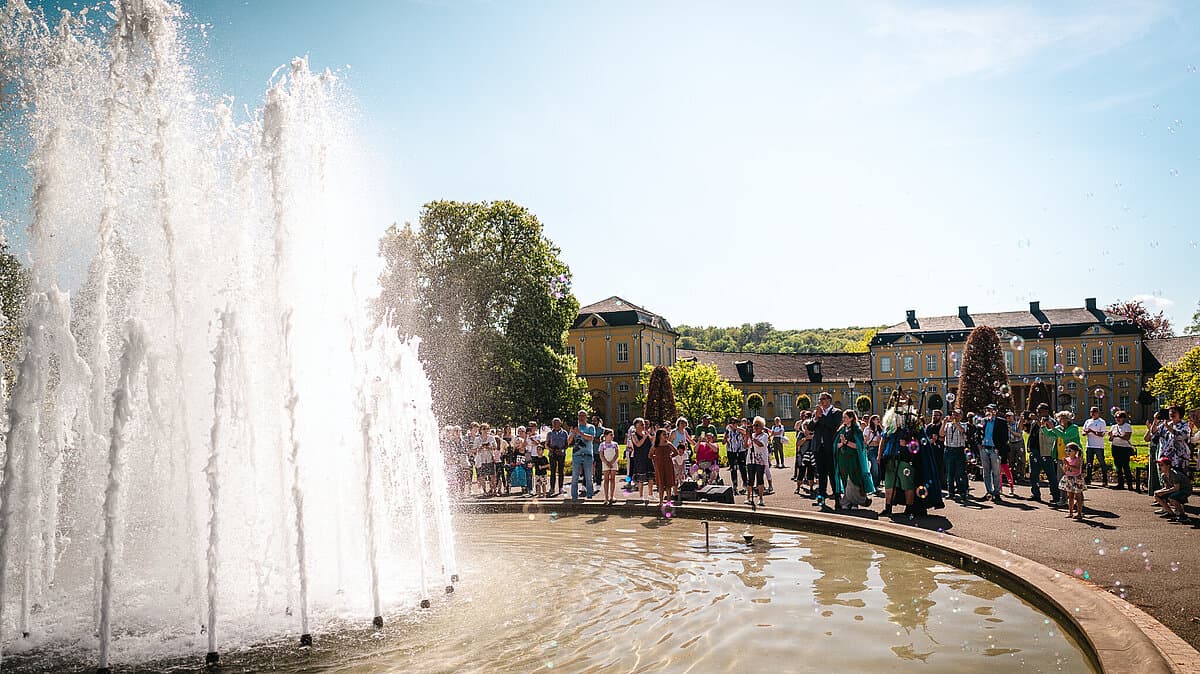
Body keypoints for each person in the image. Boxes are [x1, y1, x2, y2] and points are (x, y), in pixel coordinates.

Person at [879, 393, 919, 520]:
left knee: (907, 484)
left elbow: (917, 442)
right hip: (890, 457)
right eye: (898, 403)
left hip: (905, 458)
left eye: (902, 403)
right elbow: (883, 440)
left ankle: (909, 508)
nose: (900, 405)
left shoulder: (911, 423)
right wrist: (879, 456)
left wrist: (906, 444)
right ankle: (888, 507)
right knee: (889, 484)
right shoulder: (890, 425)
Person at [833, 410, 876, 510]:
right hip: (843, 459)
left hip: (853, 459)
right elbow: (836, 444)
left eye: (845, 417)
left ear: (851, 418)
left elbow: (859, 446)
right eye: (843, 417)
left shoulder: (857, 430)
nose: (843, 419)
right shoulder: (841, 430)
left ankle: (856, 502)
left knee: (854, 479)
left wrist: (846, 442)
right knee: (845, 480)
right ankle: (847, 501)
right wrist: (841, 444)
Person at [811, 392, 843, 509]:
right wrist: (815, 418)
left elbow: (833, 426)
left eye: (823, 399)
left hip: (830, 448)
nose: (821, 402)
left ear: (829, 400)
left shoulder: (836, 412)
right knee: (821, 474)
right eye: (820, 399)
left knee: (833, 474)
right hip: (819, 448)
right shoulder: (817, 413)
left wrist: (821, 416)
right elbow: (810, 428)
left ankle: (837, 498)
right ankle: (821, 499)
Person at [1027, 404, 1061, 504]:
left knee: (1051, 475)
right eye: (1037, 411)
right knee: (1034, 474)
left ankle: (1055, 496)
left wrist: (1037, 419)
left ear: (1046, 411)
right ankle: (1035, 494)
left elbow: (1047, 429)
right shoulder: (1035, 421)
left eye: (1040, 411)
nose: (1038, 412)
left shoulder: (1051, 420)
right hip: (1034, 450)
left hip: (1046, 451)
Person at [978, 404, 1008, 502]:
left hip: (995, 449)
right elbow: (977, 433)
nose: (988, 411)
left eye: (990, 409)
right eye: (987, 409)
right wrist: (979, 444)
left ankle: (996, 492)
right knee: (986, 472)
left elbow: (1005, 437)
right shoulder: (983, 421)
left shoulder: (1001, 422)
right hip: (984, 449)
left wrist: (999, 448)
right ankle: (989, 492)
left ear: (995, 411)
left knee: (996, 472)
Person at [567, 411, 597, 500]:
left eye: (583, 416)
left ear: (586, 417)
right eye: (579, 416)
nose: (581, 418)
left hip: (587, 454)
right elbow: (568, 442)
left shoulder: (590, 427)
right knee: (575, 476)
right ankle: (574, 496)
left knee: (588, 477)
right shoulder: (575, 428)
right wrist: (572, 433)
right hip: (576, 455)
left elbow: (591, 438)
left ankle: (590, 496)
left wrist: (579, 433)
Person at [941, 409, 969, 500]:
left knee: (960, 472)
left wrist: (955, 422)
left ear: (961, 416)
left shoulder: (964, 424)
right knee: (949, 472)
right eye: (953, 415)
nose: (954, 416)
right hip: (948, 450)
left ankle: (963, 492)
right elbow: (941, 434)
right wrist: (944, 423)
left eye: (956, 415)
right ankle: (951, 492)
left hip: (959, 450)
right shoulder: (948, 425)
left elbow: (962, 431)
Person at [1144, 409, 1170, 495]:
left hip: (1166, 452)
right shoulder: (1158, 425)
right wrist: (1155, 421)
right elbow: (1148, 437)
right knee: (1156, 474)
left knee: (1165, 475)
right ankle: (1158, 494)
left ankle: (1166, 497)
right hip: (1156, 451)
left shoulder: (1170, 425)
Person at [745, 417, 770, 507]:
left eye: (757, 426)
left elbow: (760, 444)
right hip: (750, 459)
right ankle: (748, 498)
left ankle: (761, 498)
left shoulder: (765, 436)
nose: (755, 427)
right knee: (750, 479)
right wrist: (747, 436)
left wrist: (752, 438)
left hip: (760, 460)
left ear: (762, 427)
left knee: (760, 479)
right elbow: (746, 445)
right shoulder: (752, 435)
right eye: (754, 425)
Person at [650, 429, 677, 508]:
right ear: (659, 436)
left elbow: (676, 452)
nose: (666, 436)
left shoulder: (668, 444)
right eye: (664, 434)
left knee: (668, 484)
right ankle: (661, 501)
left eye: (666, 434)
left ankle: (668, 501)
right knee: (661, 484)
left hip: (668, 465)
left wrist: (670, 456)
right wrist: (655, 458)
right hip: (659, 466)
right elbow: (650, 455)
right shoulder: (656, 445)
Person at [1108, 410, 1135, 490]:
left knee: (1126, 466)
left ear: (1123, 418)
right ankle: (1120, 484)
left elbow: (1127, 437)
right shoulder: (1113, 426)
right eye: (1116, 417)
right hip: (1115, 447)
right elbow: (1110, 439)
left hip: (1125, 449)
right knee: (1118, 467)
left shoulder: (1127, 426)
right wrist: (1111, 436)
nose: (1117, 419)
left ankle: (1130, 484)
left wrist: (1118, 435)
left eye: (1119, 417)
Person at [627, 418, 653, 501]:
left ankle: (650, 494)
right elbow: (638, 444)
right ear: (636, 425)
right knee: (641, 478)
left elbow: (652, 442)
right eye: (641, 424)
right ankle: (641, 496)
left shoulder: (646, 433)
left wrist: (651, 435)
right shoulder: (633, 434)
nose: (643, 425)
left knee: (650, 476)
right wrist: (644, 437)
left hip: (648, 457)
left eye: (644, 424)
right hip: (640, 458)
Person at [1082, 406, 1108, 486]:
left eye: (1094, 412)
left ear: (1098, 412)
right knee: (1089, 463)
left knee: (1102, 463)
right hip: (1089, 445)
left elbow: (1101, 434)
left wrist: (1091, 431)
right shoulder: (1088, 421)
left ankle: (1105, 479)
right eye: (1091, 412)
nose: (1092, 413)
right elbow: (1083, 432)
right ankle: (1088, 479)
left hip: (1099, 446)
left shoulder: (1101, 422)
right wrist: (1085, 432)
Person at [1059, 443, 1086, 520]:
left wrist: (1069, 465)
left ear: (1075, 451)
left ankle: (1079, 513)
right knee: (1070, 496)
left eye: (1069, 450)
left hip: (1076, 479)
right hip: (1069, 478)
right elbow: (1065, 470)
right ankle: (1070, 512)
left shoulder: (1078, 459)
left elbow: (1077, 469)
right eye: (1066, 450)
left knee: (1078, 497)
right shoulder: (1067, 459)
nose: (1067, 452)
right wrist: (1064, 466)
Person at [725, 418, 749, 495]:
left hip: (740, 451)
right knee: (733, 469)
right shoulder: (728, 430)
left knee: (743, 468)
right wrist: (725, 437)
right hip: (731, 451)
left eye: (734, 422)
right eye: (731, 423)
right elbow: (724, 441)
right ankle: (735, 487)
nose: (732, 424)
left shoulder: (741, 429)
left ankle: (745, 486)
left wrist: (736, 428)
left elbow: (745, 433)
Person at [545, 418, 568, 496]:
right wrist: (553, 450)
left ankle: (561, 487)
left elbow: (567, 444)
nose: (555, 425)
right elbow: (546, 444)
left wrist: (561, 449)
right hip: (552, 455)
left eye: (557, 423)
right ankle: (552, 488)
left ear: (560, 423)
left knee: (561, 472)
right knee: (553, 472)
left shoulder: (564, 433)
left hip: (561, 454)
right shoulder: (549, 433)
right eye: (554, 423)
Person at [923, 410, 944, 494]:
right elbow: (925, 438)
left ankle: (941, 485)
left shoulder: (943, 426)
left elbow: (944, 438)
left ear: (940, 416)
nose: (934, 417)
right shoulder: (929, 426)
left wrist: (937, 439)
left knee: (940, 468)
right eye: (933, 415)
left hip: (941, 450)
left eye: (936, 415)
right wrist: (930, 440)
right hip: (931, 450)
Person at [599, 430, 620, 505]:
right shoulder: (602, 445)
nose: (612, 436)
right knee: (606, 480)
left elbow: (617, 454)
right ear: (606, 436)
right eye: (611, 435)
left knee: (613, 479)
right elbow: (601, 455)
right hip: (605, 463)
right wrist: (607, 462)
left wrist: (612, 462)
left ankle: (612, 496)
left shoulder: (615, 444)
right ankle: (606, 498)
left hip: (613, 463)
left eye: (612, 435)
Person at [998, 412, 1017, 496]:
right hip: (998, 450)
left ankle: (1011, 487)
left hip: (1004, 450)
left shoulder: (1007, 427)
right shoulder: (1000, 427)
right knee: (998, 471)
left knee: (1005, 469)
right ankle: (1000, 488)